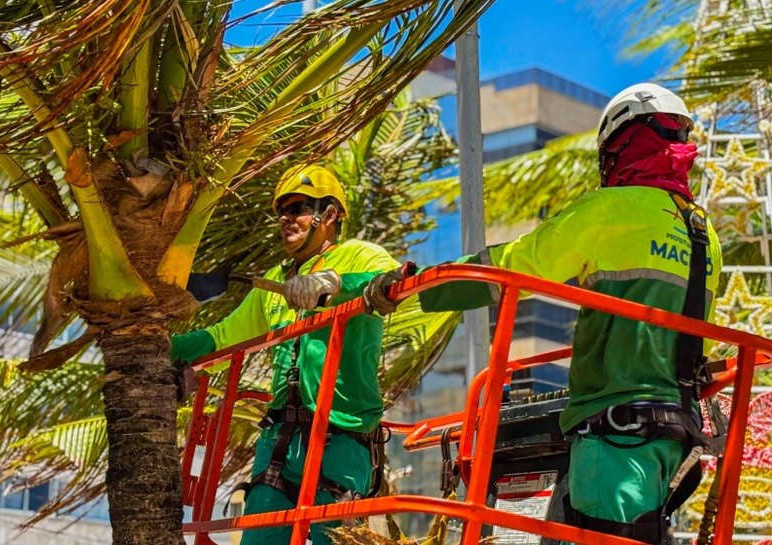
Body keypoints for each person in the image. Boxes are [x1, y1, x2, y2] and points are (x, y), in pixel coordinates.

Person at [364, 83, 723, 544]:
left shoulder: (612, 208)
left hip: (616, 430)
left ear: (618, 144)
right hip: (677, 432)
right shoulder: (703, 232)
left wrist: (417, 288)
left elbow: (515, 265)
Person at [172, 165, 400, 545]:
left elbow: (394, 285)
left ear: (329, 215)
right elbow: (222, 336)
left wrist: (336, 283)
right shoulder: (273, 282)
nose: (285, 217)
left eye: (297, 208)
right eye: (282, 210)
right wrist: (155, 346)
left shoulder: (362, 255)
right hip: (281, 440)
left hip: (340, 439)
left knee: (335, 538)